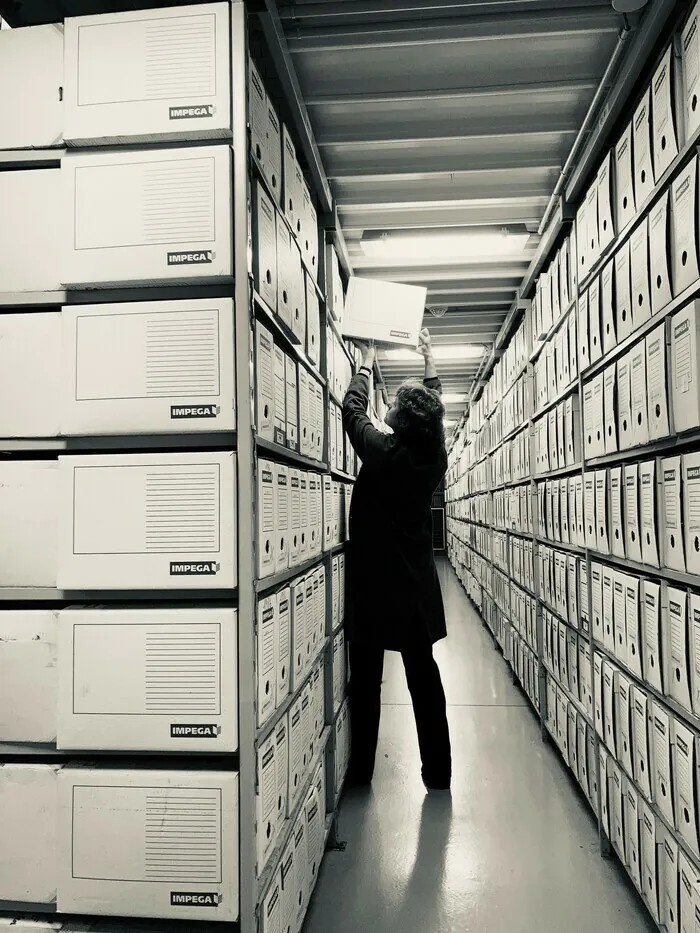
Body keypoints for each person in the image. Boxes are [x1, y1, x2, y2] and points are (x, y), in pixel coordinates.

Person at [342, 327, 452, 791]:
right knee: (423, 680)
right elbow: (434, 407)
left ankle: (362, 773)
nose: (385, 411)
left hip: (373, 586)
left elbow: (352, 412)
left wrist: (364, 364)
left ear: (401, 423)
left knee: (367, 684)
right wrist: (429, 359)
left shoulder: (384, 454)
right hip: (413, 589)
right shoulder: (435, 455)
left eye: (394, 409)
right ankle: (439, 775)